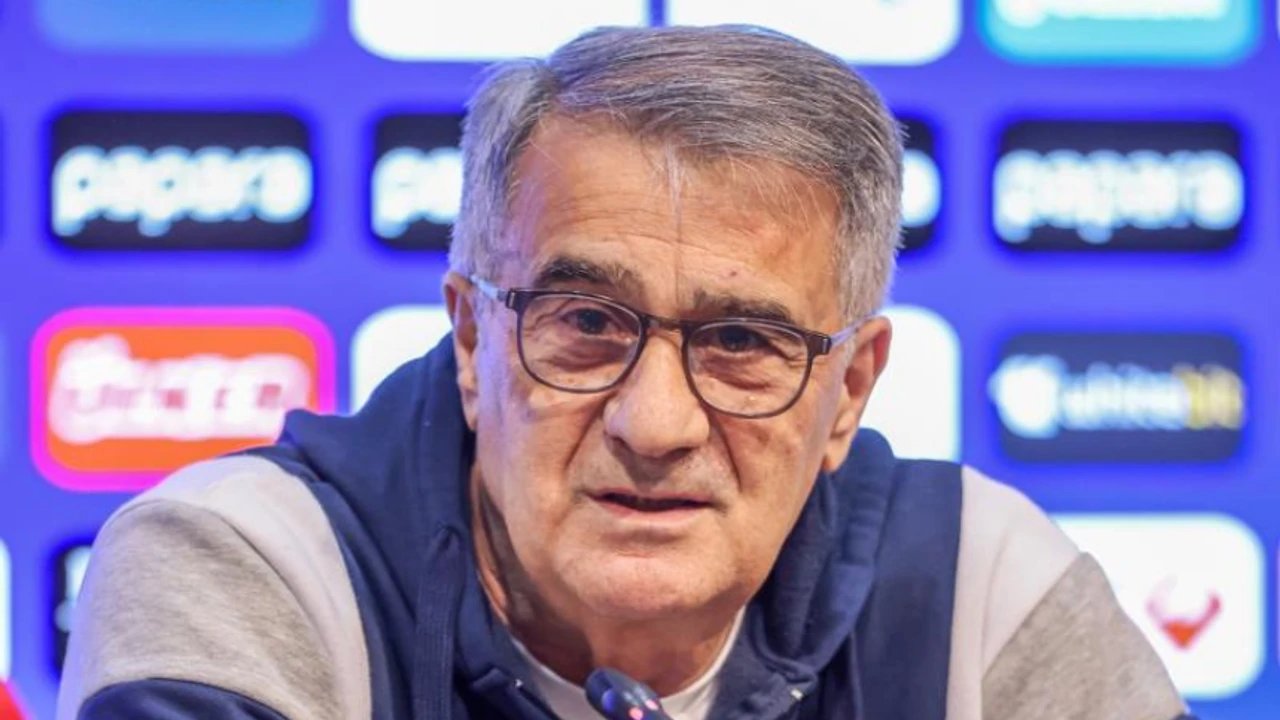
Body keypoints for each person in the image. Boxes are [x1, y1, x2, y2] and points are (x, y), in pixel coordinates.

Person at [58, 24, 1192, 720]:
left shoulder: (977, 593)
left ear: (849, 390)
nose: (653, 425)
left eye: (741, 342)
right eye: (588, 322)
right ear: (471, 340)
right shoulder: (250, 567)